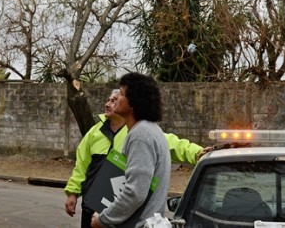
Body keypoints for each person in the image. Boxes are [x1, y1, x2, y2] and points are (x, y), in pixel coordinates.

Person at [64, 90, 207, 227]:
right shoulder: (94, 132)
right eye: (108, 100)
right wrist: (73, 193)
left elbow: (173, 144)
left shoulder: (138, 133)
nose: (107, 104)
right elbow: (82, 165)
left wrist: (197, 153)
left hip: (116, 209)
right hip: (91, 205)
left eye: (114, 100)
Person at [92, 72, 171, 228]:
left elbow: (135, 193)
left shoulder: (141, 135)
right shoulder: (149, 130)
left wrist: (102, 220)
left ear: (133, 102)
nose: (117, 98)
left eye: (121, 94)